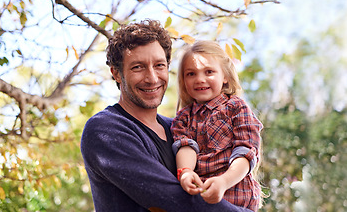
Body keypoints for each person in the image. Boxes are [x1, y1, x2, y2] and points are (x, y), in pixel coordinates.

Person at [80, 19, 252, 212]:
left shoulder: (181, 127)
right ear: (117, 74)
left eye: (159, 65)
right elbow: (174, 201)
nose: (152, 78)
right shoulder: (105, 130)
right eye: (138, 67)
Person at [171, 40, 263, 211]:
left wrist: (224, 181)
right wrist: (185, 173)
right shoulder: (183, 118)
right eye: (191, 74)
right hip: (200, 201)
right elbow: (185, 145)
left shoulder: (236, 107)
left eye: (209, 72)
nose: (200, 79)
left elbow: (246, 152)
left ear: (225, 76)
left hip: (237, 199)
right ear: (183, 80)